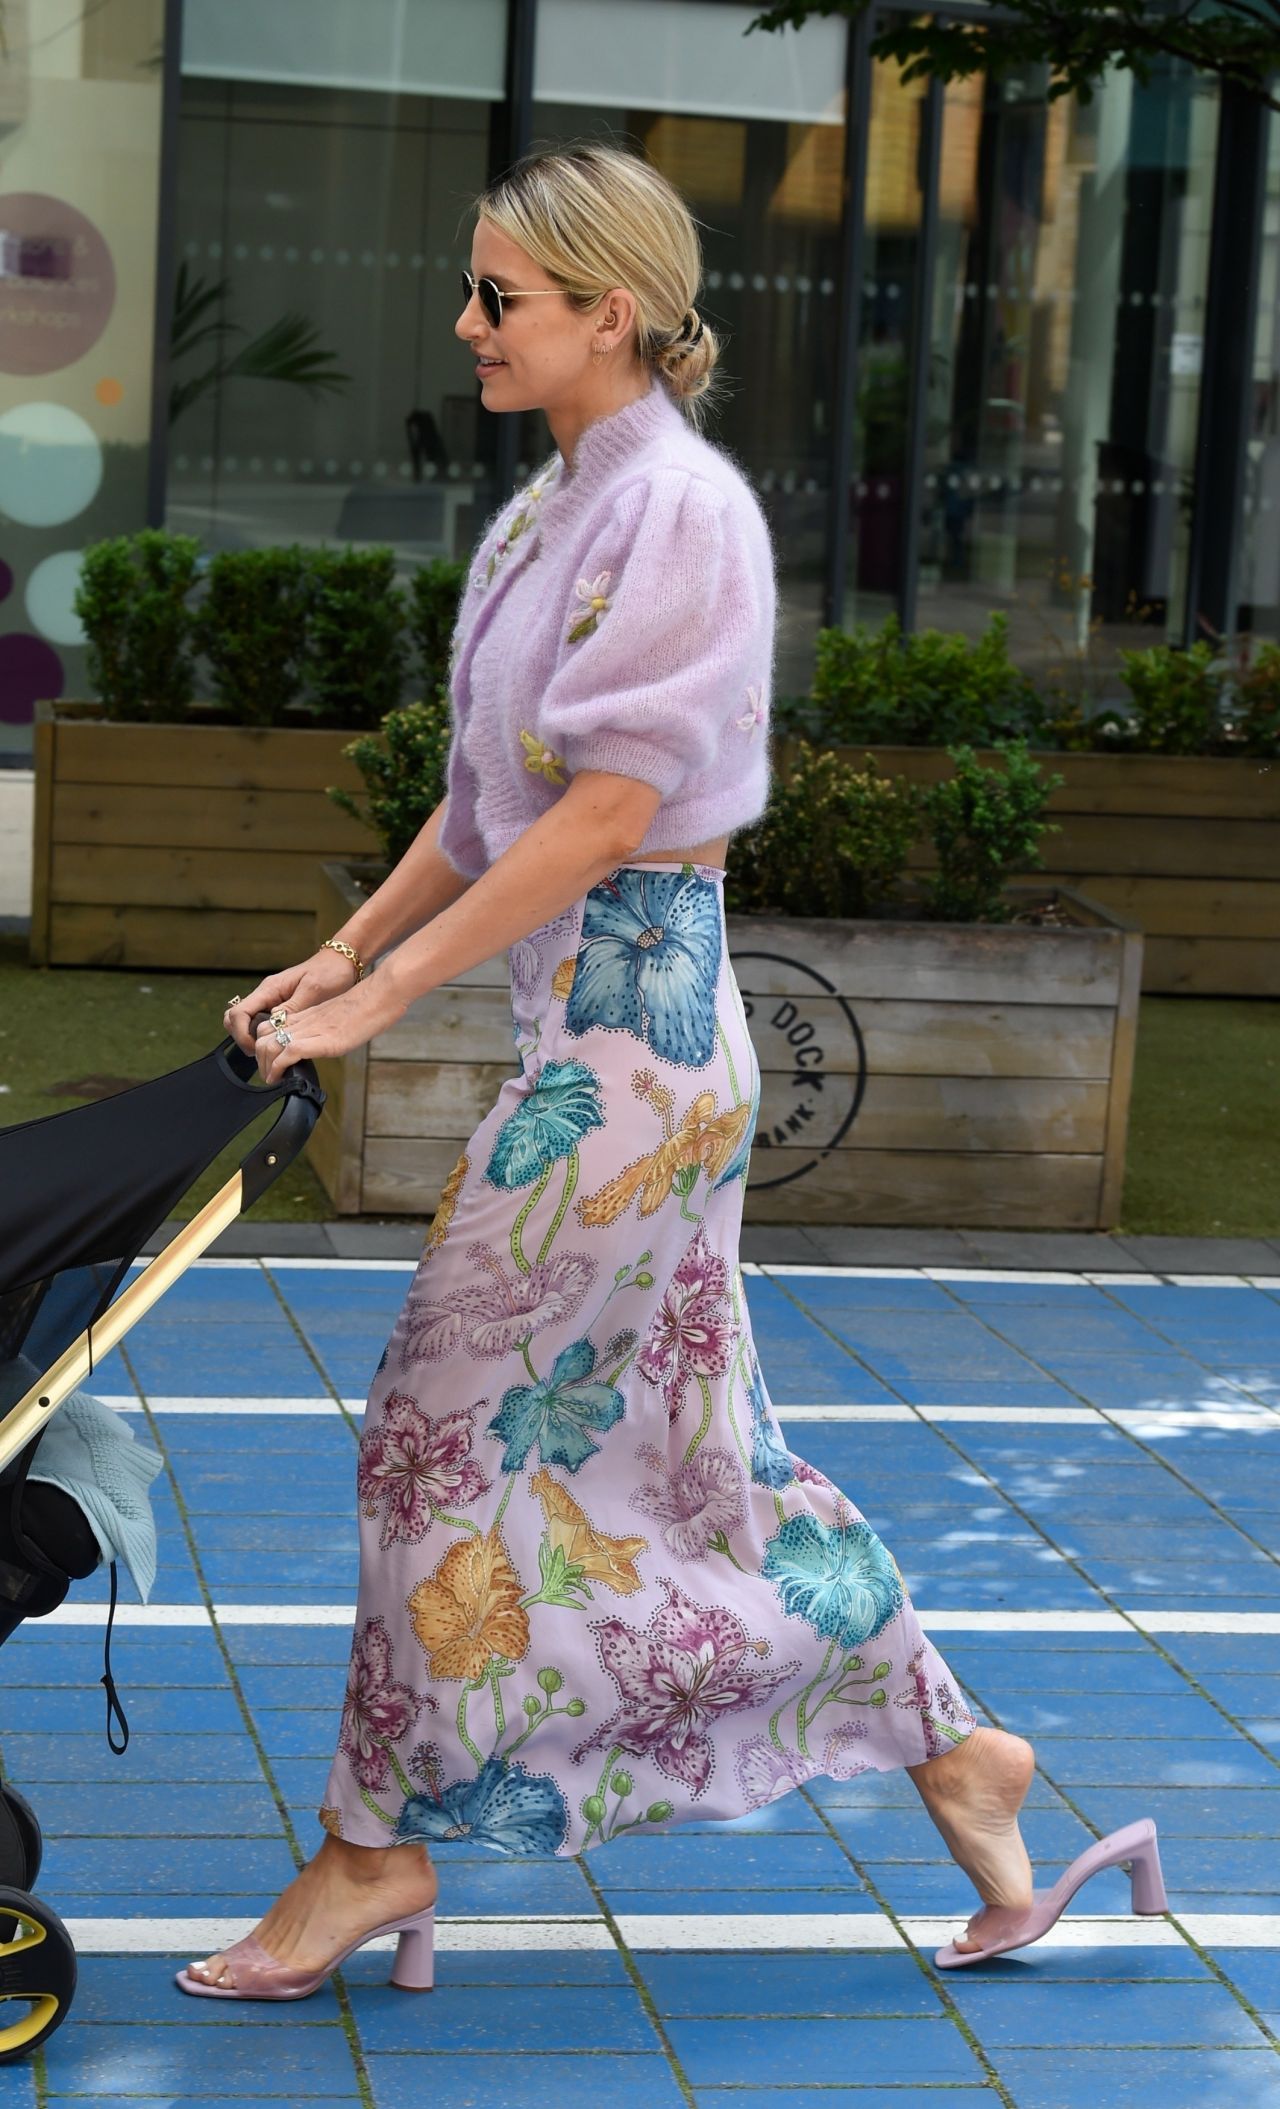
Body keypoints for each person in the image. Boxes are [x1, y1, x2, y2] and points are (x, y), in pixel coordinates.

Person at [180, 144, 1162, 2001]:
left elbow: (615, 814)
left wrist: (387, 1002)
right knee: (698, 1463)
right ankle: (965, 1757)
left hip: (642, 1043)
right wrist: (347, 951)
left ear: (604, 313)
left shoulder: (684, 515)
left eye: (501, 300)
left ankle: (375, 1854)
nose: (466, 325)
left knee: (434, 1436)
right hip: (591, 1043)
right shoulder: (550, 513)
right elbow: (484, 812)